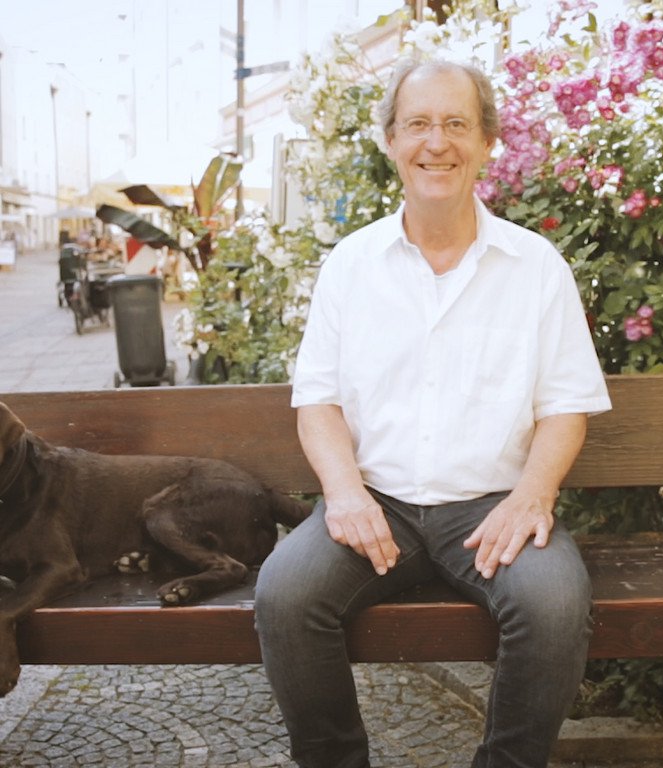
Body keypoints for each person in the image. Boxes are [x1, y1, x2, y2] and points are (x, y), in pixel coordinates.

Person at [254, 58, 612, 768]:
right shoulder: (350, 267)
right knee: (286, 595)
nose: (436, 143)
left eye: (456, 125)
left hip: (490, 510)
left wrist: (531, 497)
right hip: (375, 505)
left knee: (554, 605)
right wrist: (345, 493)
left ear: (486, 143)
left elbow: (566, 407)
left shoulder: (536, 267)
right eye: (418, 124)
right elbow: (317, 402)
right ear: (390, 140)